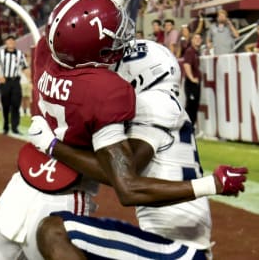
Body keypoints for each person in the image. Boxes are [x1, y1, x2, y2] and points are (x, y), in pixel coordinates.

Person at [0, 0, 246, 260]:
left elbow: (124, 181)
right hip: (53, 187)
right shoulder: (104, 88)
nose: (115, 62)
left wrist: (50, 144)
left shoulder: (54, 59)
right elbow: (85, 36)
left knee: (50, 234)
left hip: (57, 186)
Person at [35, 40, 227, 259]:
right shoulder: (163, 102)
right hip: (173, 242)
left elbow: (124, 179)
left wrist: (53, 146)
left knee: (54, 231)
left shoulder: (151, 103)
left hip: (178, 249)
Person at [0, 35, 30, 135]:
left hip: (16, 81)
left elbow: (25, 68)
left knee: (16, 104)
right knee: (5, 105)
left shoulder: (20, 54)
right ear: (6, 43)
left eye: (13, 41)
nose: (11, 43)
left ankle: (15, 127)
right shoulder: (0, 53)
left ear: (15, 43)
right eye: (9, 41)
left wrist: (31, 80)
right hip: (5, 82)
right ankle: (5, 126)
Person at [183, 32, 203, 128]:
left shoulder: (196, 52)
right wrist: (191, 78)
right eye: (195, 38)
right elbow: (186, 65)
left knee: (194, 106)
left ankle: (191, 128)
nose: (198, 40)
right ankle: (187, 128)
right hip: (191, 83)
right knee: (191, 106)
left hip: (195, 83)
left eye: (199, 38)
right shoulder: (190, 51)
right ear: (191, 40)